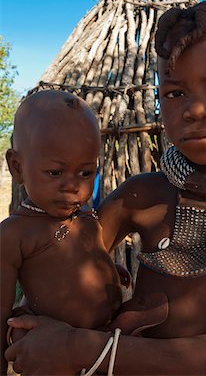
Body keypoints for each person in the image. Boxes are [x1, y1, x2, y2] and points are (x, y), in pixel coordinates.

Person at [4, 0, 206, 376]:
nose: (196, 109)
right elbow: (65, 262)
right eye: (175, 94)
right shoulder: (142, 194)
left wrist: (78, 347)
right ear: (159, 101)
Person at [0, 90, 123, 375]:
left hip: (106, 342)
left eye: (85, 173)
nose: (72, 186)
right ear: (16, 167)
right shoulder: (15, 235)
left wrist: (108, 272)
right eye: (55, 173)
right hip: (57, 359)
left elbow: (80, 259)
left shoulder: (85, 215)